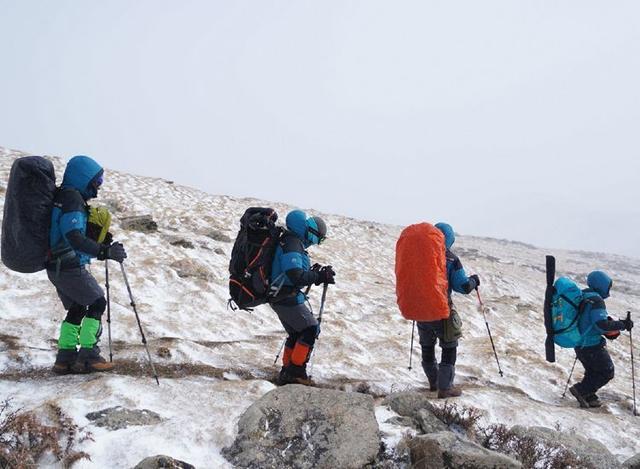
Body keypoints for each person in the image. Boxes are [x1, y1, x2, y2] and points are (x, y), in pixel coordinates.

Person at [48, 155, 127, 374]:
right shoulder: (72, 199)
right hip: (68, 266)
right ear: (85, 178)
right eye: (97, 181)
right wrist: (104, 251)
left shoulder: (65, 197)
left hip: (56, 265)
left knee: (77, 307)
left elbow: (72, 234)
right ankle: (89, 356)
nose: (98, 187)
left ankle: (64, 359)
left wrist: (99, 243)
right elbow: (73, 237)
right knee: (97, 302)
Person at [269, 210, 335, 385]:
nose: (316, 244)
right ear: (311, 233)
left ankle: (287, 370)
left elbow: (294, 272)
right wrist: (318, 277)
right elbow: (295, 275)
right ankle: (296, 372)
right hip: (285, 296)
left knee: (296, 332)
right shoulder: (292, 243)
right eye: (318, 239)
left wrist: (313, 274)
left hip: (279, 295)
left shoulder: (291, 240)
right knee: (310, 330)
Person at [418, 222, 480, 398]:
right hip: (441, 310)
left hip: (420, 310)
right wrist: (474, 281)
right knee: (449, 345)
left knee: (427, 345)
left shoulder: (420, 256)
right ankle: (445, 388)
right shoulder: (451, 259)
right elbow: (463, 286)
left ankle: (433, 382)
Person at [569, 271, 634, 408]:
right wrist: (623, 324)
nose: (609, 290)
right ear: (602, 285)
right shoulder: (596, 301)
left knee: (593, 372)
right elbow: (601, 324)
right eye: (608, 286)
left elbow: (590, 321)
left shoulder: (584, 295)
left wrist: (613, 325)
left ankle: (589, 396)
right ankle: (581, 390)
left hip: (580, 343)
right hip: (591, 345)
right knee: (607, 371)